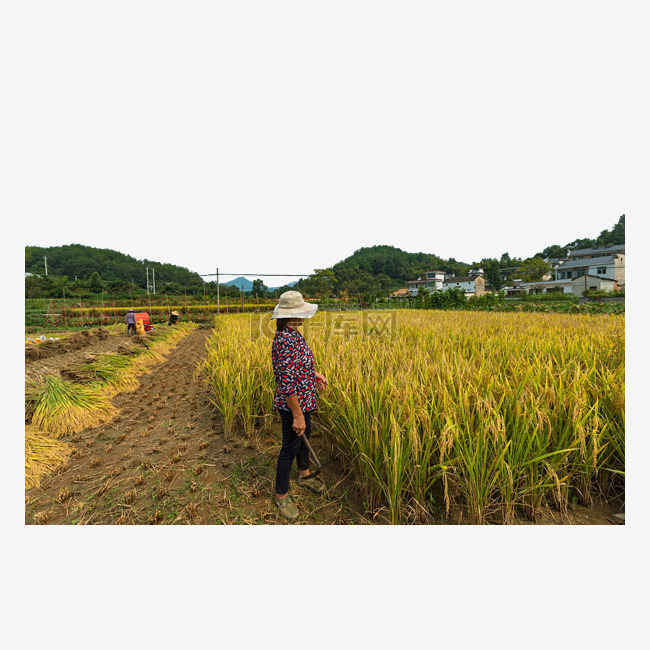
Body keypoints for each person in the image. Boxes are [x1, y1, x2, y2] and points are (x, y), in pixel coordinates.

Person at [271, 291, 329, 521]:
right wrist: (297, 415)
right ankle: (281, 495)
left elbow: (297, 366)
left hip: (305, 398)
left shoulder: (295, 335)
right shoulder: (284, 340)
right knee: (290, 448)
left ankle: (304, 474)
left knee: (307, 436)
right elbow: (286, 381)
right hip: (293, 404)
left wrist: (314, 374)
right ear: (291, 315)